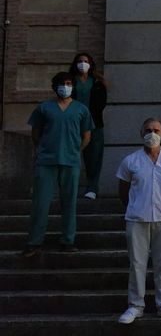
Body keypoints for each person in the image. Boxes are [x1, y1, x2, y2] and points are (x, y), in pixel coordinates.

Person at [116, 118, 161, 324]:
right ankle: (135, 305)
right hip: (137, 218)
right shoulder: (131, 161)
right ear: (141, 133)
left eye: (156, 130)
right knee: (137, 263)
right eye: (148, 130)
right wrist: (134, 206)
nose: (152, 133)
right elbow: (123, 190)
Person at [22, 72, 94, 257]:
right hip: (46, 161)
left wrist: (74, 151)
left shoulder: (81, 109)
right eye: (62, 83)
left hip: (70, 162)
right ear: (55, 86)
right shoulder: (44, 108)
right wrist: (43, 149)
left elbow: (86, 136)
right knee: (41, 203)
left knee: (69, 203)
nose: (65, 86)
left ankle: (68, 241)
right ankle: (34, 242)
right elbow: (35, 133)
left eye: (69, 83)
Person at [69, 52, 108, 200]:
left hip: (94, 125)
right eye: (79, 61)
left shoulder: (97, 83)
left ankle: (92, 187)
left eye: (85, 61)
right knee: (72, 155)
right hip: (73, 124)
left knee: (94, 157)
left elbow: (101, 104)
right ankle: (69, 186)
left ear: (90, 64)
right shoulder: (70, 82)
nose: (82, 64)